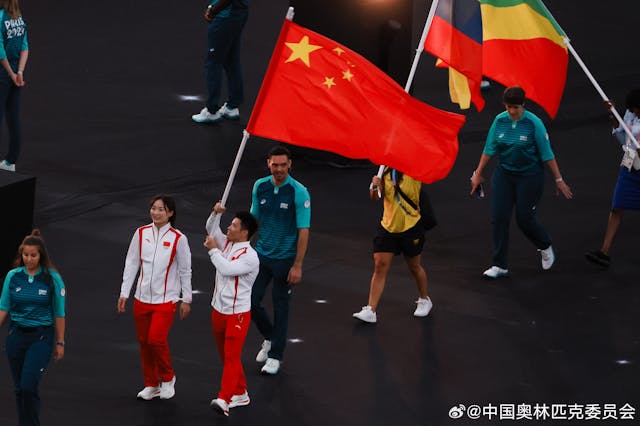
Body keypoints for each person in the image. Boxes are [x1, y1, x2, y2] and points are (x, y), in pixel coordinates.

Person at [470, 86, 573, 279]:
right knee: (499, 218)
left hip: (530, 176)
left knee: (524, 219)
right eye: (508, 107)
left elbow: (547, 154)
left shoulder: (534, 124)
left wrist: (559, 180)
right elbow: (489, 149)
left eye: (515, 107)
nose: (511, 111)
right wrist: (477, 174)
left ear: (522, 105)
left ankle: (544, 245)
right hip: (504, 175)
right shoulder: (499, 121)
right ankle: (499, 265)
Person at [117, 194, 192, 400]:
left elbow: (186, 270)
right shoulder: (141, 233)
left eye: (161, 209)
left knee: (156, 339)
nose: (156, 212)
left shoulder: (178, 238)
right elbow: (132, 264)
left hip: (166, 300)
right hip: (141, 299)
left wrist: (186, 299)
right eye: (154, 208)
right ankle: (151, 383)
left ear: (170, 213)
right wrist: (125, 292)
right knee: (144, 342)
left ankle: (168, 378)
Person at [250, 145, 310, 375]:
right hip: (261, 255)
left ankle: (276, 355)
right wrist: (239, 245)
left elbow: (303, 230)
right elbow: (253, 219)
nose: (279, 169)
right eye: (275, 165)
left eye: (283, 165)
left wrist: (298, 265)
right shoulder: (260, 186)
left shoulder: (299, 192)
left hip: (285, 259)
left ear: (290, 164)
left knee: (281, 306)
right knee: (251, 301)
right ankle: (270, 338)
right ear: (268, 164)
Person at [0, 230, 66, 426]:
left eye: (33, 255)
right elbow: (3, 307)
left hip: (41, 337)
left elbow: (59, 312)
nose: (29, 259)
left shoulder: (51, 278)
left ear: (41, 256)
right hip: (16, 336)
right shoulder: (13, 276)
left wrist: (60, 342)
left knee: (29, 386)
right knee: (20, 389)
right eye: (25, 255)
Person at [352, 168, 433, 324]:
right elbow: (375, 197)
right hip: (388, 226)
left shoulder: (415, 170)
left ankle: (424, 299)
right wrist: (375, 186)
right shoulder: (385, 172)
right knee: (380, 266)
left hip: (410, 227)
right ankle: (371, 310)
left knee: (414, 267)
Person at [204, 203, 259, 417]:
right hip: (218, 309)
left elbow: (227, 270)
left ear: (244, 232)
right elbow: (211, 227)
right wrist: (215, 213)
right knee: (226, 356)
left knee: (230, 356)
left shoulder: (250, 257)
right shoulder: (227, 244)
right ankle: (240, 391)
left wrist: (213, 251)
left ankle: (224, 399)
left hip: (238, 313)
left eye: (233, 225)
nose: (228, 228)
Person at [585, 89, 640, 267]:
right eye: (629, 110)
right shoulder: (631, 114)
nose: (631, 113)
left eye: (634, 110)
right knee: (617, 207)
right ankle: (605, 252)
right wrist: (613, 115)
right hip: (630, 165)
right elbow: (622, 136)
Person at [192, 0, 249, 124]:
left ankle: (212, 111)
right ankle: (232, 106)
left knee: (214, 63)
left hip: (225, 15)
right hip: (239, 12)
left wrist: (213, 10)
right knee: (231, 59)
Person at [0, 0, 28, 172]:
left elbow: (0, 52)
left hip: (3, 72)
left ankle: (9, 163)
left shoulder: (1, 17)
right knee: (13, 117)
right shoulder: (18, 18)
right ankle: (11, 162)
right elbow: (25, 47)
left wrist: (11, 74)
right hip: (16, 70)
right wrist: (19, 72)